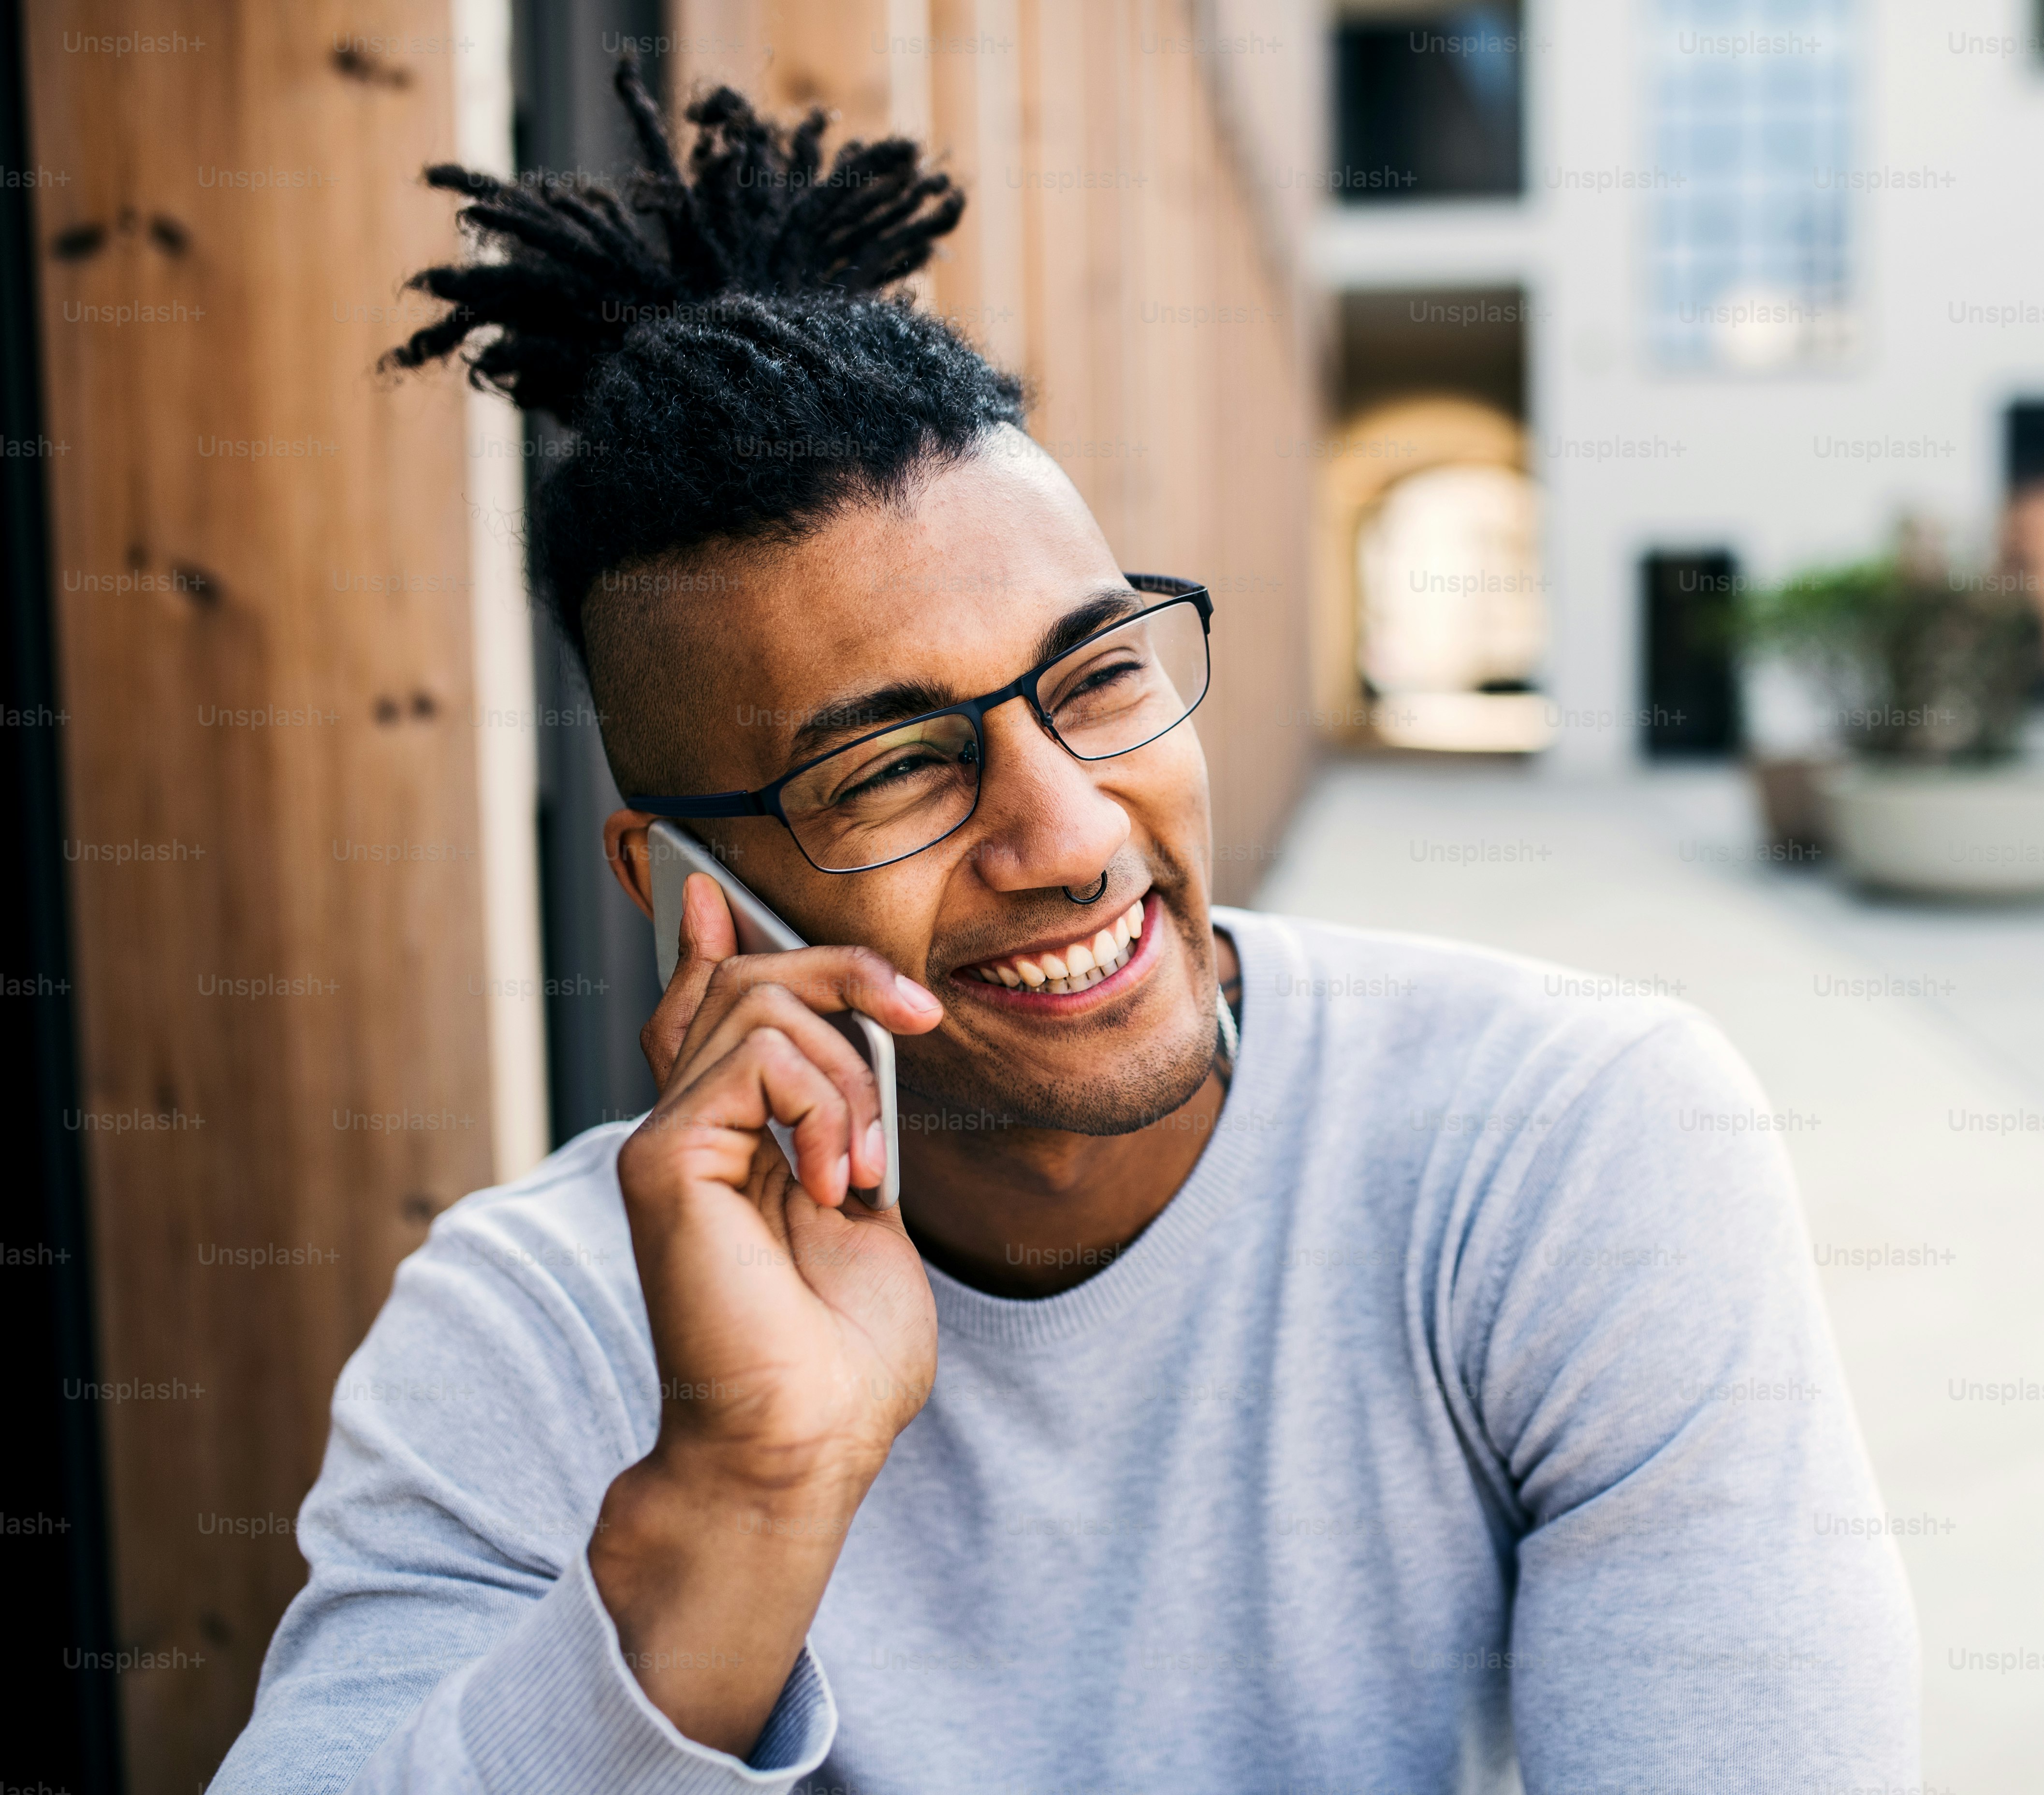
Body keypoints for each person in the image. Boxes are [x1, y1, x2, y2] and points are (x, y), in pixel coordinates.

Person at [213, 69, 1915, 1795]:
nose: (1074, 833)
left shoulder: (1564, 1143)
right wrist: (740, 1500)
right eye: (892, 771)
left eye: (1099, 676)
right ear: (677, 891)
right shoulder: (542, 1326)